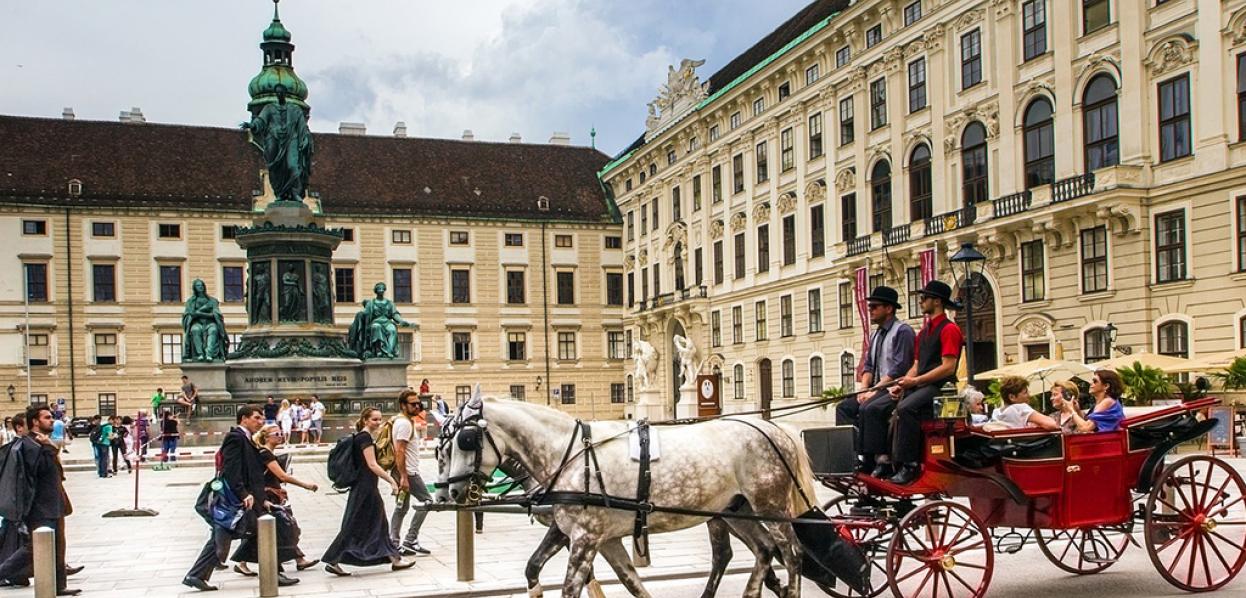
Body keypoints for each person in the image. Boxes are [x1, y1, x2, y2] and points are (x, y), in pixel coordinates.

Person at [184, 406, 296, 591]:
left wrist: (261, 498)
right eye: (257, 418)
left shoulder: (245, 439)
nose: (261, 422)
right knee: (241, 534)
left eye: (261, 418)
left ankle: (196, 575)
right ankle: (273, 574)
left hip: (251, 498)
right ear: (244, 419)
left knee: (244, 534)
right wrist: (244, 494)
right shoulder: (235, 438)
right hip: (240, 500)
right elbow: (232, 470)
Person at [882, 280, 964, 486]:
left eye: (924, 298)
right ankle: (885, 460)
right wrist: (902, 383)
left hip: (941, 388)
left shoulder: (949, 329)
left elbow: (948, 367)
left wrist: (915, 381)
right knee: (886, 407)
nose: (920, 301)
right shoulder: (924, 332)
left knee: (906, 408)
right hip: (923, 385)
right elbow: (916, 365)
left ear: (937, 302)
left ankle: (910, 465)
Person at [322, 408, 414, 576]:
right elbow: (372, 464)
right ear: (365, 420)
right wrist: (392, 481)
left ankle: (395, 559)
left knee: (371, 523)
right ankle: (333, 559)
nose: (378, 423)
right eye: (374, 419)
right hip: (366, 488)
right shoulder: (364, 438)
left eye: (380, 419)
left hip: (363, 487)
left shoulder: (360, 437)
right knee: (360, 524)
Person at [0, 406, 80, 595]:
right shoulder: (30, 444)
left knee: (59, 547)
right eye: (47, 417)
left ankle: (59, 586)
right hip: (40, 506)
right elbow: (39, 472)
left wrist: (50, 447)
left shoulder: (42, 442)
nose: (51, 420)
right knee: (33, 547)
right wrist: (49, 449)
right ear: (35, 422)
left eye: (51, 417)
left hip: (55, 502)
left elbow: (58, 473)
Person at [837, 286, 916, 477]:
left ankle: (881, 460)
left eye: (874, 306)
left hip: (896, 388)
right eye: (870, 306)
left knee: (870, 409)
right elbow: (869, 365)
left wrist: (875, 390)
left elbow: (899, 367)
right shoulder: (875, 334)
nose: (870, 310)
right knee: (844, 408)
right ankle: (856, 455)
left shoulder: (903, 331)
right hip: (876, 388)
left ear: (889, 309)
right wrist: (863, 389)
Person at [230, 424, 319, 576]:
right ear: (267, 437)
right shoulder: (265, 454)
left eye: (280, 433)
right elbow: (283, 476)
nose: (280, 436)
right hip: (268, 497)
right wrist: (306, 485)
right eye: (276, 434)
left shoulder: (266, 452)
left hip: (270, 495)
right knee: (283, 527)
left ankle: (297, 559)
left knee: (275, 529)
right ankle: (296, 560)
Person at [389, 390, 434, 556]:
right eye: (413, 404)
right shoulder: (404, 424)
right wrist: (404, 477)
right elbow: (399, 451)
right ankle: (410, 539)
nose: (417, 406)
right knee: (427, 501)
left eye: (418, 403)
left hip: (403, 471)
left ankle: (394, 543)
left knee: (401, 507)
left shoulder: (402, 421)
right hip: (409, 472)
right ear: (403, 405)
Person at [986, 376, 1060, 431]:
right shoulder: (1020, 408)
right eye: (1025, 393)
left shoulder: (996, 412)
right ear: (1012, 397)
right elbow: (1052, 424)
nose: (1029, 395)